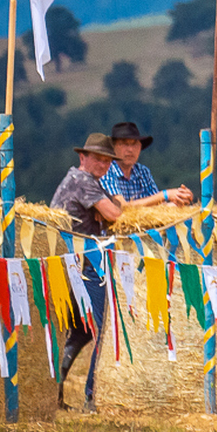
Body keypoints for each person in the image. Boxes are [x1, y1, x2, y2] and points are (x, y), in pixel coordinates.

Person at [49, 134, 128, 414]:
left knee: (80, 332)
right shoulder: (83, 180)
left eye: (107, 160)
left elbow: (108, 213)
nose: (103, 164)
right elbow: (115, 214)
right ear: (83, 157)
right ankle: (93, 397)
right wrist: (115, 206)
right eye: (98, 158)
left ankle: (54, 391)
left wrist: (111, 208)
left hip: (70, 262)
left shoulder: (80, 180)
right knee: (101, 328)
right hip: (84, 263)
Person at [100, 121, 193, 211]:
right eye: (125, 144)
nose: (130, 149)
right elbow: (121, 207)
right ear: (113, 147)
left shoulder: (142, 171)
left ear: (140, 147)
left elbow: (157, 205)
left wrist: (180, 198)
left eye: (135, 144)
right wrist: (165, 194)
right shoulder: (106, 170)